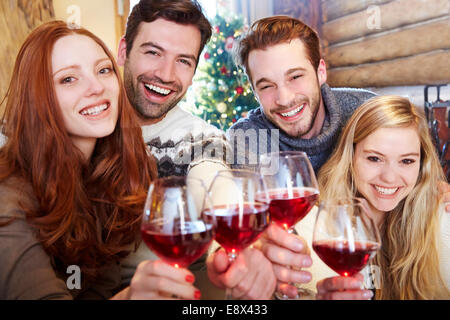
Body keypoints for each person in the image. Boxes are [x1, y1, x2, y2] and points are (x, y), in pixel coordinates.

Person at [0, 20, 214, 300]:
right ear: (38, 97)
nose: (97, 87)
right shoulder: (8, 196)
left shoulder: (121, 166)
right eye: (68, 79)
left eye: (103, 70)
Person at [116, 0, 276, 299]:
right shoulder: (87, 124)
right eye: (153, 52)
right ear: (124, 50)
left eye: (183, 61)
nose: (165, 74)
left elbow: (219, 191)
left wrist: (237, 252)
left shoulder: (203, 139)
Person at [316, 95, 450, 299]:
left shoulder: (441, 220)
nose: (389, 177)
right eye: (374, 158)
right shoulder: (318, 227)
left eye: (406, 161)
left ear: (422, 164)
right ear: (350, 156)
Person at [228, 15, 376, 173]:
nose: (284, 99)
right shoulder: (247, 138)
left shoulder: (365, 111)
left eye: (295, 77)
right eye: (266, 86)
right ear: (255, 93)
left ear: (320, 72)